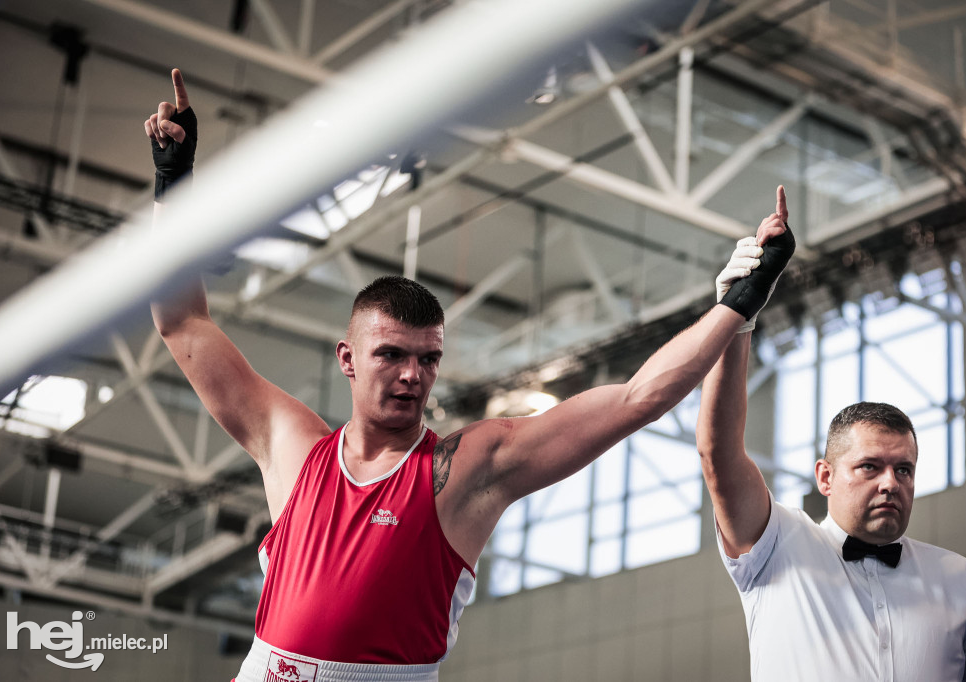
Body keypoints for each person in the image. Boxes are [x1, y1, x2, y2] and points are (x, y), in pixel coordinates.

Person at [145, 68, 792, 682]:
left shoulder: (466, 470)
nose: (411, 376)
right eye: (391, 355)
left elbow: (635, 399)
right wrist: (174, 181)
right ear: (347, 359)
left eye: (427, 359)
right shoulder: (292, 448)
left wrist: (737, 305)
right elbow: (183, 327)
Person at [696, 190, 966, 681]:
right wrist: (737, 317)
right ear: (825, 476)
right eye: (870, 466)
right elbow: (719, 452)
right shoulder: (776, 545)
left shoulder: (960, 578)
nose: (891, 483)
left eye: (904, 469)